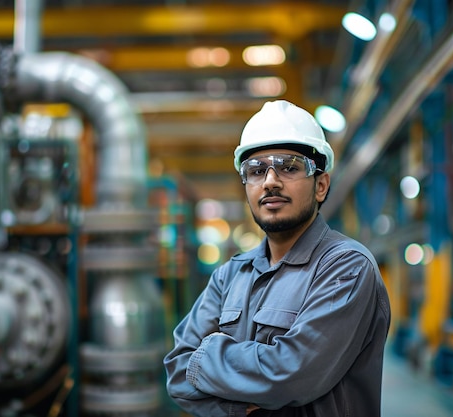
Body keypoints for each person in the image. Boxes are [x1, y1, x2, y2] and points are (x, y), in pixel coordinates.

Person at [163, 100, 391, 417]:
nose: (270, 181)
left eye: (289, 167)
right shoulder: (230, 275)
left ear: (321, 185)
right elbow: (176, 371)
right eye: (256, 171)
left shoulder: (346, 268)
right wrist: (245, 402)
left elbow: (291, 375)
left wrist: (206, 357)